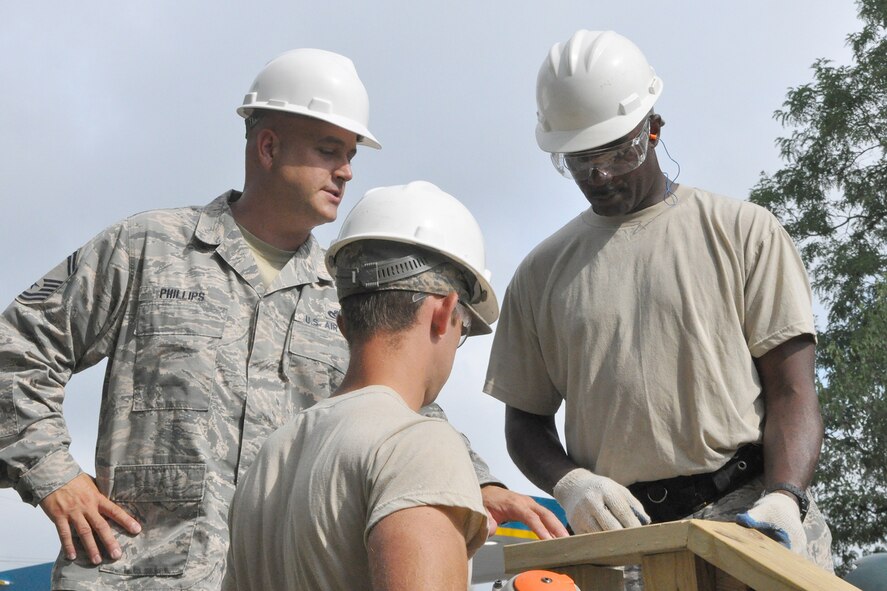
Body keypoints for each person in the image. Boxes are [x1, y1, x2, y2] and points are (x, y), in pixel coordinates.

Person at [0, 49, 563, 591]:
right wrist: (54, 476)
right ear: (268, 146)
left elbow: (402, 399)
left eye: (350, 156)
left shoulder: (346, 294)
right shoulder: (149, 249)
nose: (345, 172)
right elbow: (14, 352)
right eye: (327, 150)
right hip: (137, 577)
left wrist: (480, 480)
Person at [483, 29, 834, 587]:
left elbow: (793, 390)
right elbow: (525, 423)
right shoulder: (541, 274)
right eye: (580, 160)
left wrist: (784, 498)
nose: (602, 176)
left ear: (653, 128)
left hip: (748, 517)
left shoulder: (742, 233)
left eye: (620, 151)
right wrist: (573, 484)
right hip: (624, 538)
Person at [224, 180, 497, 590]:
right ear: (444, 313)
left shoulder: (271, 457)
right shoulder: (417, 445)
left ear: (344, 323)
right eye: (462, 330)